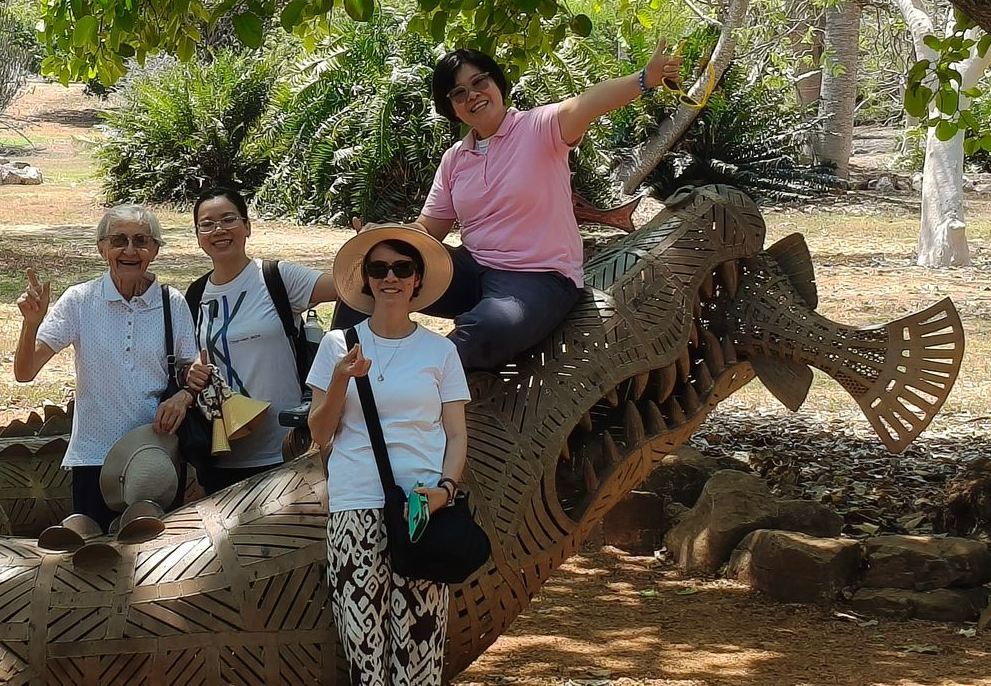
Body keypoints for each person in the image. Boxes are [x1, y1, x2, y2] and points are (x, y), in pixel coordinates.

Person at [343, 45, 685, 371]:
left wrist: (646, 78)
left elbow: (588, 103)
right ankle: (333, 376)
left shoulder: (540, 127)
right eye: (459, 93)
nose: (472, 95)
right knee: (366, 276)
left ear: (497, 83)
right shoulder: (455, 159)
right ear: (452, 108)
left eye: (479, 82)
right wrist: (382, 236)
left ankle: (404, 383)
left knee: (487, 330)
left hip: (538, 278)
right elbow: (428, 230)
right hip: (472, 270)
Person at [306, 224, 469, 686]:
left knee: (419, 650)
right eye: (379, 269)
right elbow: (320, 433)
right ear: (367, 279)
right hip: (356, 503)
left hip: (420, 506)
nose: (390, 278)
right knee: (365, 653)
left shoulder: (440, 351)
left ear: (417, 279)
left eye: (402, 268)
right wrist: (341, 378)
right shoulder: (338, 345)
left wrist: (445, 490)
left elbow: (456, 433)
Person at [13, 204, 209, 530]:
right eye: (119, 240)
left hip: (154, 459)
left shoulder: (171, 302)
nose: (130, 250)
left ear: (155, 250)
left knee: (153, 554)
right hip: (94, 456)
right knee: (91, 551)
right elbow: (25, 372)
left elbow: (191, 370)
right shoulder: (79, 300)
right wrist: (31, 324)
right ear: (102, 249)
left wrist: (184, 395)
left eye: (141, 241)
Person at [185, 186, 340, 493]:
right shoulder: (194, 295)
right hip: (221, 453)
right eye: (207, 224)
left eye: (228, 219)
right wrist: (190, 372)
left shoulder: (276, 277)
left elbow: (346, 287)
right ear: (198, 236)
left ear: (247, 226)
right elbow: (185, 359)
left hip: (285, 449)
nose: (219, 230)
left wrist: (369, 249)